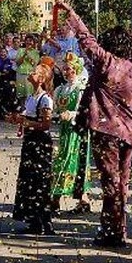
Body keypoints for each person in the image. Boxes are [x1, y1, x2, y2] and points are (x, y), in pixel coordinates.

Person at [55, 0, 132, 248]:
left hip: (108, 130)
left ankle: (112, 233)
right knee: (121, 183)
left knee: (110, 183)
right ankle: (118, 229)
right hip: (129, 132)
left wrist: (72, 14)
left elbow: (87, 41)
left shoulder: (108, 64)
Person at [11, 62, 56, 235]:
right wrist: (17, 119)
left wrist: (27, 122)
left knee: (40, 180)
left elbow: (46, 124)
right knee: (29, 180)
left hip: (40, 143)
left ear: (42, 78)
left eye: (35, 72)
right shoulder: (31, 97)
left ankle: (45, 219)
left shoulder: (45, 99)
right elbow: (26, 116)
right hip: (30, 142)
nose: (31, 73)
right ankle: (33, 219)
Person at [50, 53, 92, 214]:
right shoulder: (60, 89)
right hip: (65, 131)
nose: (67, 72)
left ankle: (59, 199)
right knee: (63, 160)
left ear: (77, 70)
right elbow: (54, 109)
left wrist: (71, 114)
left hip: (78, 131)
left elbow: (85, 111)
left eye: (70, 69)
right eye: (65, 69)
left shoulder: (81, 88)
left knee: (74, 162)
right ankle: (77, 199)